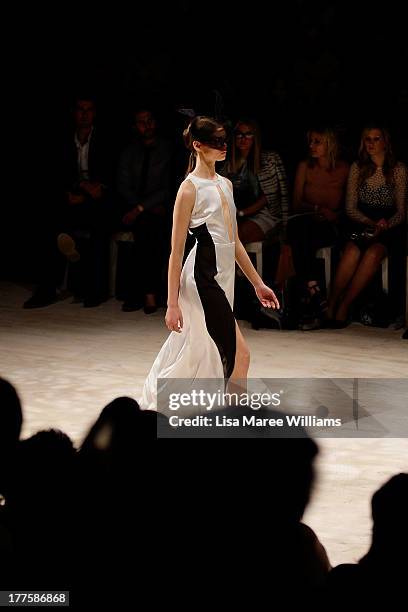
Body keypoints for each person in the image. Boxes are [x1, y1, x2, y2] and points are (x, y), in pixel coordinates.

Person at [138, 116, 279, 410]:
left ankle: (176, 408)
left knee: (200, 354)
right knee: (239, 355)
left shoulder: (225, 183)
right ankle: (231, 425)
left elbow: (234, 241)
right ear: (197, 145)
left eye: (224, 140)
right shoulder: (188, 189)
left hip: (221, 277)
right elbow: (176, 251)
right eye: (216, 142)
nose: (224, 146)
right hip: (203, 279)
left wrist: (258, 283)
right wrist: (172, 303)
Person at [327, 126, 407, 327]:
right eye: (367, 139)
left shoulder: (398, 169)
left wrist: (385, 225)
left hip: (388, 225)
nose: (371, 143)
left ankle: (345, 305)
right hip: (362, 219)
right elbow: (350, 207)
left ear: (385, 142)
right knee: (351, 252)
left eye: (376, 139)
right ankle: (331, 303)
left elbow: (401, 210)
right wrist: (371, 223)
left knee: (373, 253)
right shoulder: (358, 167)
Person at [287, 127, 349, 329]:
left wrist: (332, 214)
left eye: (317, 142)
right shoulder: (305, 166)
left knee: (301, 235)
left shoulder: (343, 169)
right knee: (299, 229)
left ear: (329, 144)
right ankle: (312, 288)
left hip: (330, 226)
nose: (312, 146)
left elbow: (347, 206)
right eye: (311, 141)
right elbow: (296, 202)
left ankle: (306, 294)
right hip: (307, 219)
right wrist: (318, 208)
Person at [117, 108, 173, 313]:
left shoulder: (167, 149)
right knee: (145, 227)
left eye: (150, 120)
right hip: (134, 208)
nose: (147, 125)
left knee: (151, 228)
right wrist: (138, 208)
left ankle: (145, 293)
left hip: (159, 207)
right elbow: (123, 185)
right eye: (142, 122)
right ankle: (147, 293)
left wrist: (143, 207)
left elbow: (168, 186)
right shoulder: (129, 152)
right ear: (135, 126)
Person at [222, 118, 289, 245]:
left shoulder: (269, 160)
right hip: (235, 214)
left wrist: (242, 213)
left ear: (255, 137)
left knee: (238, 236)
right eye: (239, 134)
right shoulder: (228, 165)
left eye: (248, 134)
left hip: (265, 214)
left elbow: (270, 196)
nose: (243, 138)